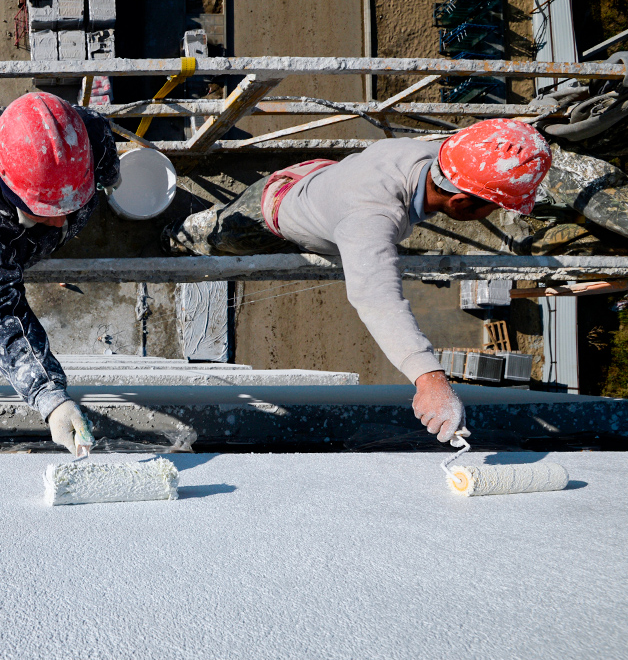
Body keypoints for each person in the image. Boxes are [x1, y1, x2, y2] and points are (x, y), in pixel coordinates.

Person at [164, 119, 552, 442]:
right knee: (214, 237)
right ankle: (175, 239)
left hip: (318, 179)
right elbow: (376, 298)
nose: (495, 213)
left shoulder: (440, 155)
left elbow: (492, 153)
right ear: (461, 202)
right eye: (495, 206)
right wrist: (429, 378)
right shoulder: (370, 216)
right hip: (273, 211)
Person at [0, 92, 120, 456]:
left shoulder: (85, 132)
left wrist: (108, 181)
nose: (60, 220)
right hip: (11, 248)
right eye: (46, 209)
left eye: (68, 204)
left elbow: (107, 170)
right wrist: (50, 396)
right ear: (13, 192)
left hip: (31, 231)